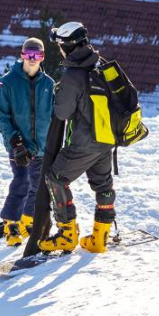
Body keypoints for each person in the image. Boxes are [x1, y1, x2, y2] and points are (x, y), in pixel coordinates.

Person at [38, 21, 115, 254]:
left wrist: (60, 93)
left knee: (55, 179)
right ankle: (100, 236)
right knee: (103, 185)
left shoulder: (73, 75)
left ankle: (67, 233)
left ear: (66, 47)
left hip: (83, 143)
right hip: (106, 138)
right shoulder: (99, 64)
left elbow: (62, 112)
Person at [0, 37, 54, 246]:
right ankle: (10, 225)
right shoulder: (8, 81)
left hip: (41, 146)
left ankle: (27, 221)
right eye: (28, 54)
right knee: (22, 182)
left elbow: (55, 115)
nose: (32, 59)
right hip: (18, 145)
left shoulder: (48, 84)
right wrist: (14, 140)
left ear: (42, 57)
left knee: (37, 186)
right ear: (21, 55)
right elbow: (1, 115)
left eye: (36, 55)